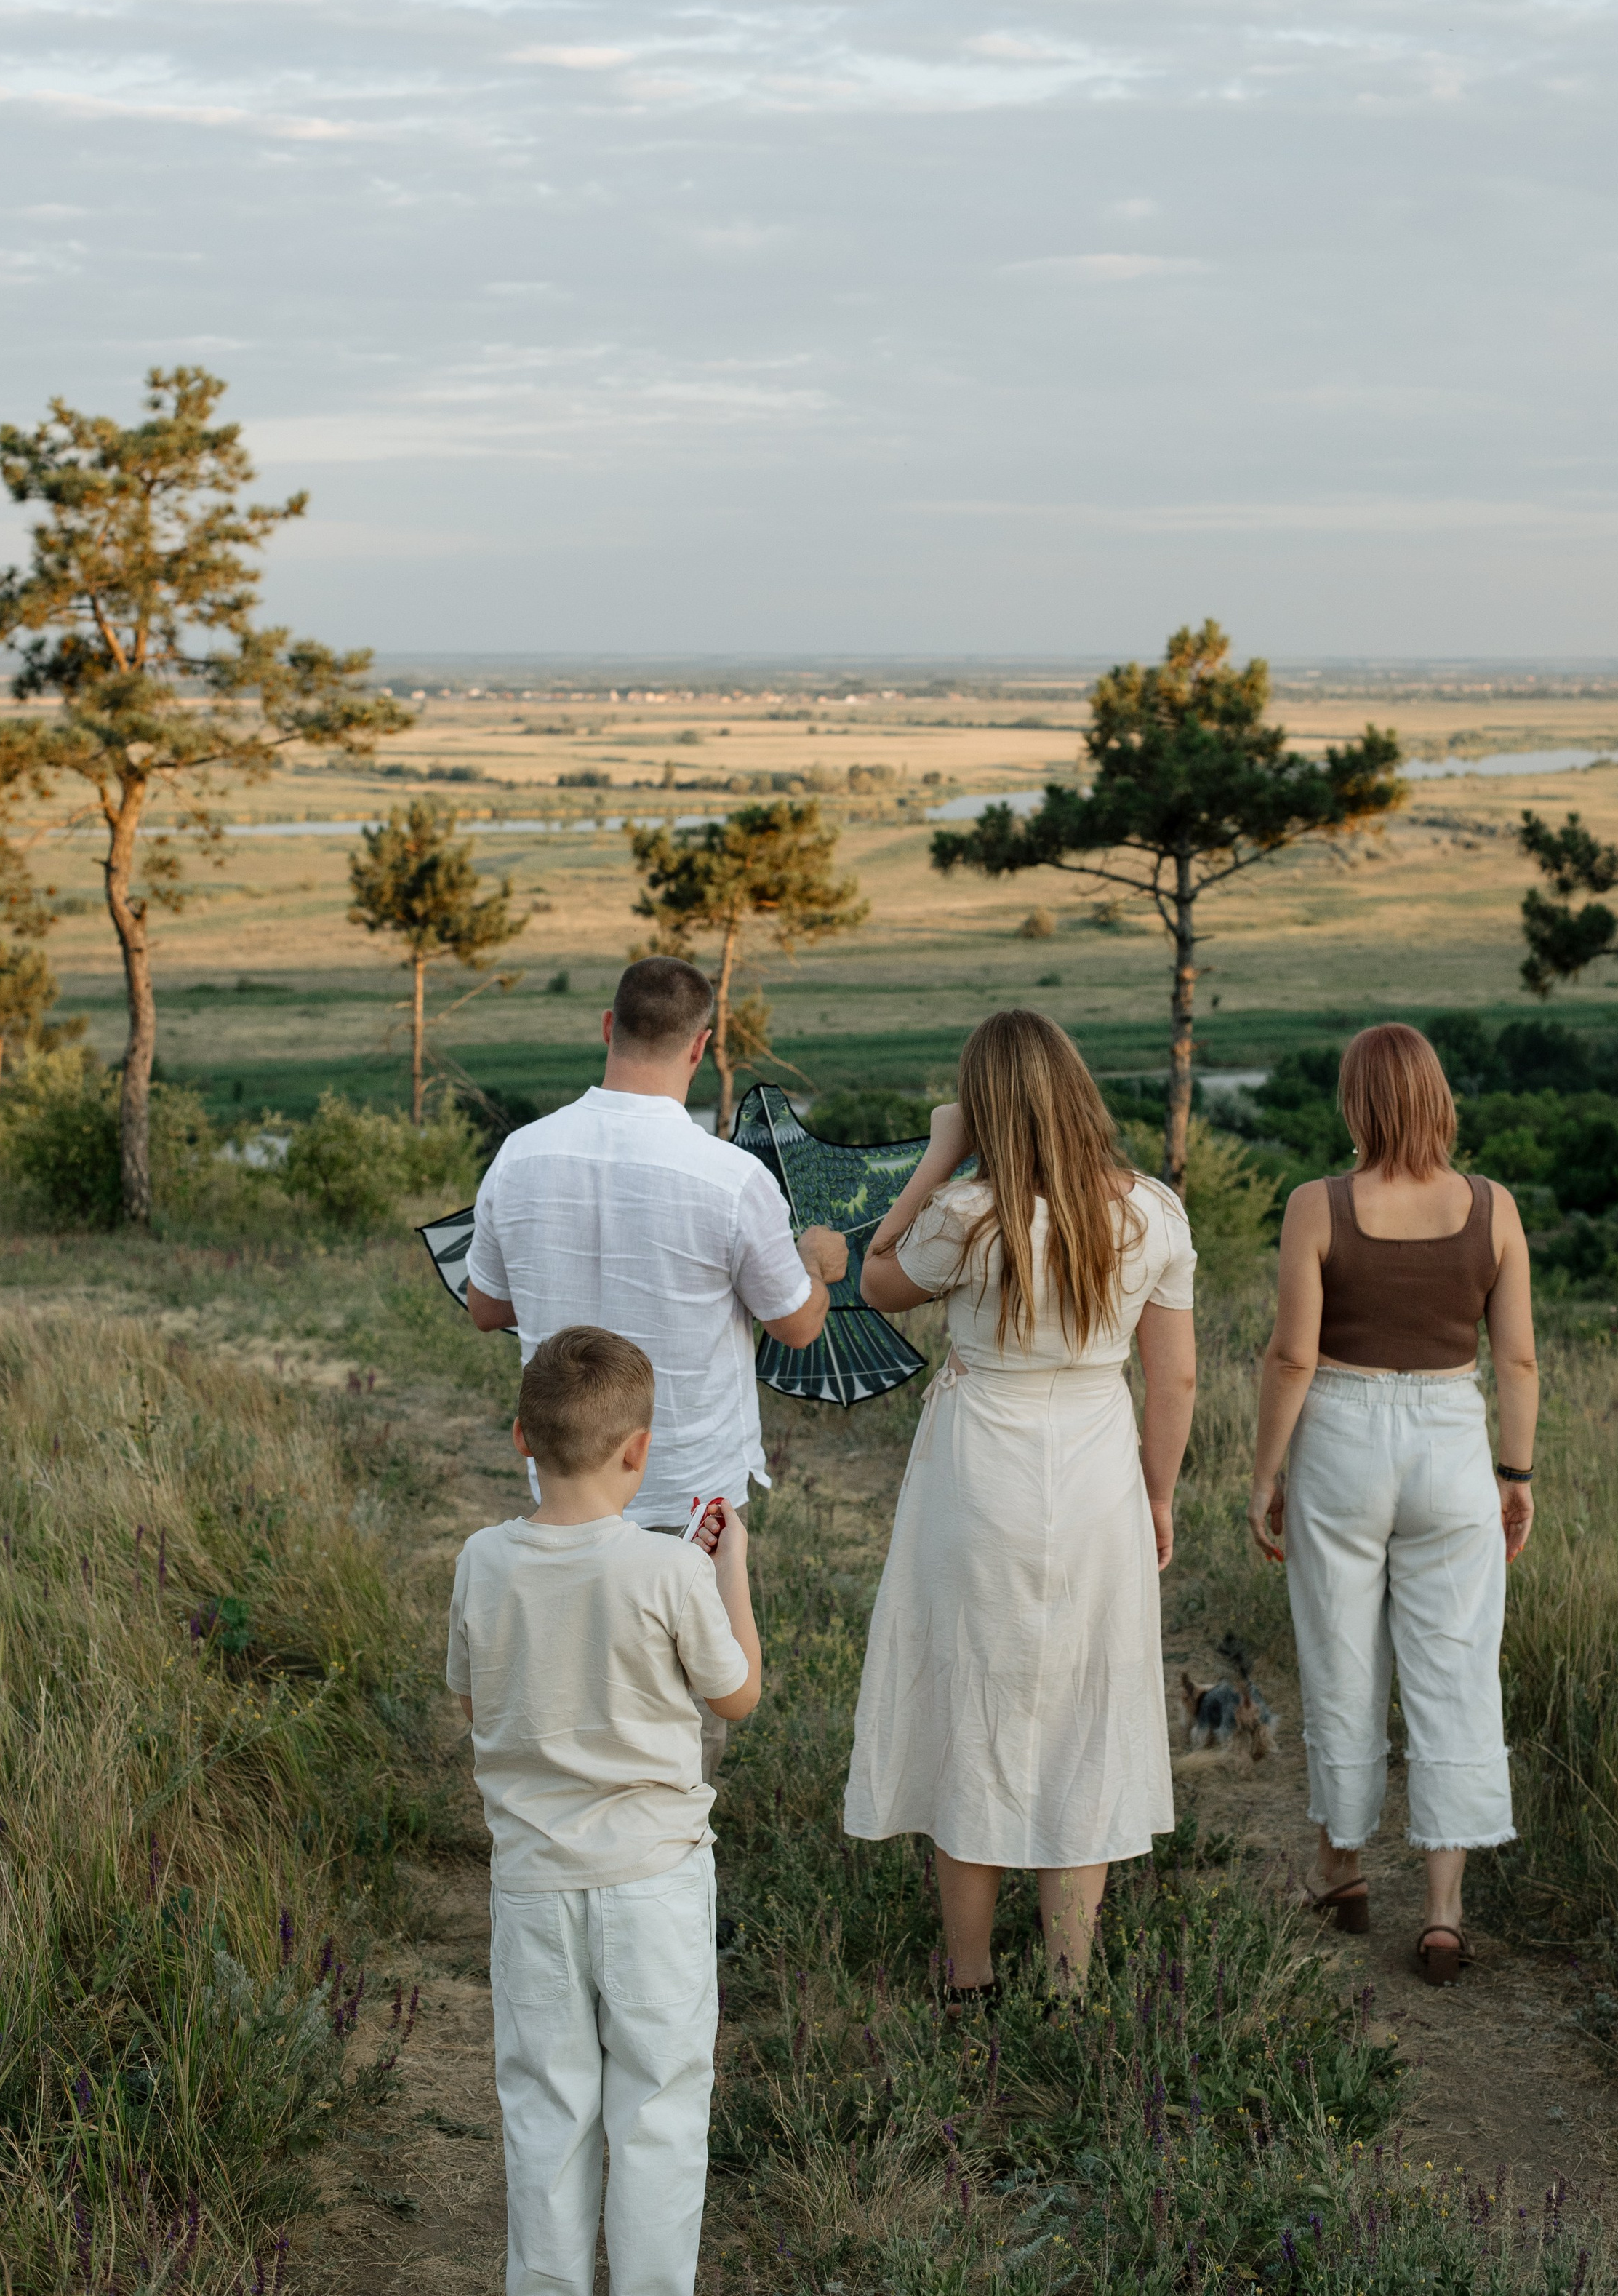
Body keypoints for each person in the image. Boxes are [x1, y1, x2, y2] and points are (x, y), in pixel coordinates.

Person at [845, 1008, 1197, 2006]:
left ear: (984, 1110)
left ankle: (969, 1975)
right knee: (1085, 1702)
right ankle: (1069, 1982)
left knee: (974, 1700)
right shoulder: (1151, 1213)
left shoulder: (966, 1216)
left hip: (978, 1476)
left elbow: (874, 1280)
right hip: (1096, 1478)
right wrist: (1158, 1493)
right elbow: (1173, 1384)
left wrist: (935, 1157)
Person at [464, 955, 846, 1766]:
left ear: (607, 1028)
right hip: (689, 1497)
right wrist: (815, 1263)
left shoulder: (520, 1156)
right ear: (701, 1046)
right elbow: (799, 1329)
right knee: (681, 1717)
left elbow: (486, 1307)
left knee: (567, 1696)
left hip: (564, 1480)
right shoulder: (731, 1179)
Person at [448, 1324, 761, 2296]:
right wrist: (724, 1569)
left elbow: (470, 1698)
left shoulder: (481, 1560)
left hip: (536, 1888)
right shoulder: (670, 1571)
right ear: (640, 1450)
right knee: (660, 2109)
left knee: (546, 2108)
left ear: (520, 1440)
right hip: (654, 1886)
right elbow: (736, 1694)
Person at [1246, 1022, 1539, 1987]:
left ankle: (1342, 1868)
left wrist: (1265, 1474)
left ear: (1355, 1104)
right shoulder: (1491, 1207)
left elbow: (1291, 1355)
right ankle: (1446, 1911)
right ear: (1438, 1099)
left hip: (1340, 1431)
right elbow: (1519, 1359)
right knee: (1454, 1667)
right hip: (1454, 1438)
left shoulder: (1317, 1206)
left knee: (1341, 1653)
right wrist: (1516, 1472)